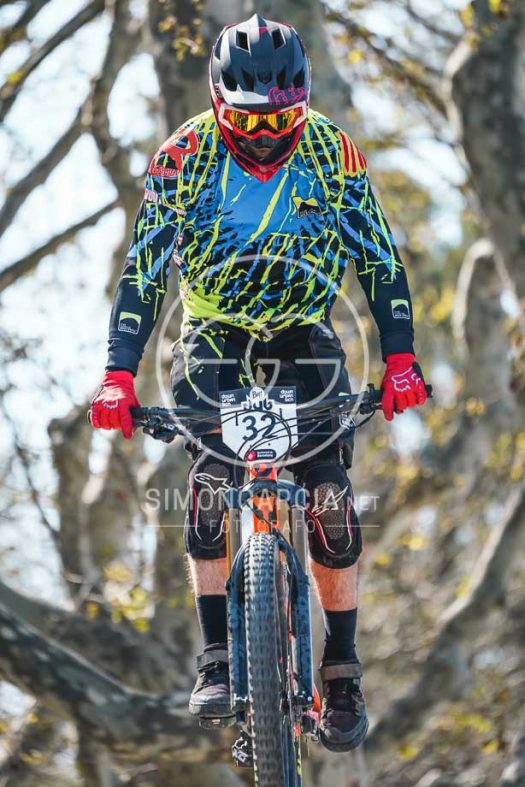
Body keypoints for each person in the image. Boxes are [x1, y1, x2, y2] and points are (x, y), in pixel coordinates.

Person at [88, 13, 427, 752]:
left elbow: (378, 259)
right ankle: (217, 655)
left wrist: (399, 359)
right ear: (216, 102)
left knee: (330, 497)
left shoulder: (333, 153)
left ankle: (340, 669)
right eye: (250, 119)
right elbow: (145, 273)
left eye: (283, 118)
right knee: (208, 484)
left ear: (302, 103)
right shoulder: (182, 157)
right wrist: (117, 375)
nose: (268, 132)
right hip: (212, 337)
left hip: (304, 334)